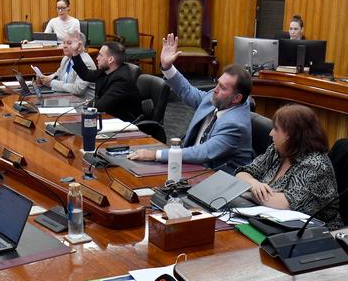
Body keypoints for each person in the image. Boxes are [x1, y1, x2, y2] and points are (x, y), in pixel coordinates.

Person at [128, 33, 252, 172]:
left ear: (237, 98)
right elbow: (187, 91)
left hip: (217, 179)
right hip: (191, 167)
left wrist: (155, 155)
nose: (215, 90)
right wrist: (168, 67)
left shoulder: (235, 124)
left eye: (222, 87)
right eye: (218, 84)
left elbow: (203, 153)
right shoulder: (219, 98)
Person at [236, 104, 341, 229]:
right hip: (271, 222)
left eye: (275, 129)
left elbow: (285, 204)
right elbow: (242, 173)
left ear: (290, 135)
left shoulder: (315, 165)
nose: (270, 133)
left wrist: (248, 193)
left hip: (314, 234)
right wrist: (254, 184)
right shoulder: (277, 151)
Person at [67, 40, 142, 122]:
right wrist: (75, 53)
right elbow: (86, 74)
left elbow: (101, 106)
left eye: (100, 55)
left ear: (110, 59)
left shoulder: (121, 80)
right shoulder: (105, 71)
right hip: (108, 117)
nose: (97, 58)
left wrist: (88, 103)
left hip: (123, 124)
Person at [35, 29, 95, 100]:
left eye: (69, 43)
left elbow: (77, 89)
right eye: (64, 43)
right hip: (66, 98)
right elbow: (58, 74)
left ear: (79, 46)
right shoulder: (66, 58)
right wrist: (45, 79)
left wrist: (51, 83)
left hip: (82, 104)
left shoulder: (86, 63)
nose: (64, 46)